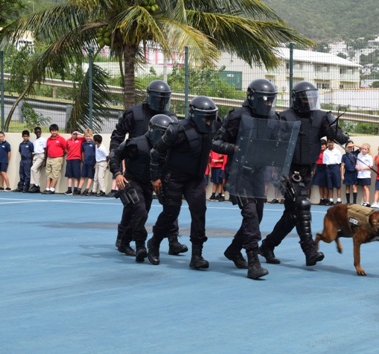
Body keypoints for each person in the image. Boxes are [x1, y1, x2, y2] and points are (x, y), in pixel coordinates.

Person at [259, 81, 349, 267]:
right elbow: (270, 143)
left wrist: (335, 127)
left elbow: (339, 137)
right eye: (305, 98)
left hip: (307, 171)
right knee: (302, 205)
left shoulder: (321, 117)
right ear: (297, 99)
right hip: (287, 171)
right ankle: (309, 251)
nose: (309, 101)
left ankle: (267, 246)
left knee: (293, 214)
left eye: (312, 98)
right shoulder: (284, 117)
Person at [212, 79, 282, 279]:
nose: (268, 103)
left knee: (257, 215)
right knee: (250, 214)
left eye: (271, 100)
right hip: (238, 173)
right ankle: (253, 261)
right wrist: (236, 148)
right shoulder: (237, 116)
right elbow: (216, 142)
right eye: (265, 99)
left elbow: (276, 144)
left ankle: (234, 250)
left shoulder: (273, 119)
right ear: (253, 98)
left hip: (258, 172)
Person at [109, 79, 186, 254]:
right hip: (137, 166)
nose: (161, 102)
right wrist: (117, 167)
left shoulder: (172, 118)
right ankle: (123, 238)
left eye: (164, 99)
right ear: (150, 96)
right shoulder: (134, 113)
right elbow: (117, 137)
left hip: (162, 168)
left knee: (171, 203)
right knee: (134, 206)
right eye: (158, 98)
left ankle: (173, 240)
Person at [147, 97, 218, 269]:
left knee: (199, 212)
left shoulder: (213, 128)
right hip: (174, 177)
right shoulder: (177, 130)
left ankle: (197, 256)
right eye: (206, 118)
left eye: (211, 118)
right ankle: (154, 243)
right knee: (171, 213)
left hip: (196, 179)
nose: (209, 122)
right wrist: (155, 177)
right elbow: (156, 152)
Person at [111, 114, 174, 262]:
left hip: (148, 185)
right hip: (132, 181)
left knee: (139, 216)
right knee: (141, 213)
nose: (164, 137)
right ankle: (140, 246)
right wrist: (118, 174)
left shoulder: (166, 149)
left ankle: (124, 241)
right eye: (161, 133)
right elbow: (115, 156)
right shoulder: (135, 143)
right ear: (152, 130)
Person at [43, 124, 68, 194]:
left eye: (55, 130)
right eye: (52, 131)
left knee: (55, 174)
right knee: (48, 174)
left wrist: (61, 156)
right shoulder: (48, 139)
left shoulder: (61, 139)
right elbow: (47, 150)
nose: (54, 132)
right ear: (50, 131)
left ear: (57, 131)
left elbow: (65, 149)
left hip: (57, 159)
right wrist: (45, 159)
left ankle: (52, 189)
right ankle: (47, 188)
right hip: (49, 158)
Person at [323, 137, 343, 205]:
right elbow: (325, 162)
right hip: (328, 168)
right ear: (327, 143)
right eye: (329, 142)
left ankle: (339, 200)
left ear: (334, 143)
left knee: (338, 185)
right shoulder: (325, 152)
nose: (330, 143)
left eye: (331, 142)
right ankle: (331, 200)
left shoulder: (337, 151)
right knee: (330, 185)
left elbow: (340, 162)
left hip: (335, 167)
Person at [28, 127, 47, 193]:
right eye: (37, 132)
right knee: (36, 170)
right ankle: (37, 186)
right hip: (35, 156)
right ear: (35, 133)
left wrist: (45, 160)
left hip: (41, 155)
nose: (38, 133)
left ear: (41, 132)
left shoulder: (43, 140)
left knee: (33, 168)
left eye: (39, 132)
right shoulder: (35, 140)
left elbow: (45, 149)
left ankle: (36, 185)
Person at [64, 130, 83, 195]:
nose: (75, 135)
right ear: (71, 134)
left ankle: (75, 189)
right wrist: (69, 153)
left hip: (76, 159)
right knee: (69, 175)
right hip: (69, 159)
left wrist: (79, 133)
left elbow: (88, 137)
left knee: (76, 175)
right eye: (73, 134)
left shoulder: (80, 140)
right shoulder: (68, 141)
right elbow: (65, 148)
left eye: (76, 134)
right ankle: (69, 190)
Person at [341, 140, 359, 205]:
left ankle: (354, 202)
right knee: (347, 187)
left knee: (354, 186)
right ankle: (348, 202)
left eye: (351, 147)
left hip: (354, 172)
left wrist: (353, 144)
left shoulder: (355, 153)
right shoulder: (344, 156)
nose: (350, 148)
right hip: (347, 172)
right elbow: (342, 165)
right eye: (348, 147)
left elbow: (361, 147)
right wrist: (342, 175)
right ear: (346, 147)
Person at [79, 129, 96, 195]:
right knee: (83, 175)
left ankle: (87, 189)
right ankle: (79, 189)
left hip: (92, 162)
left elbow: (96, 153)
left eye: (89, 136)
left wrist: (95, 162)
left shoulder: (94, 144)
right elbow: (83, 152)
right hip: (85, 162)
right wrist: (83, 160)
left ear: (91, 136)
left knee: (90, 176)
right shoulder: (83, 144)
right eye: (86, 136)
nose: (88, 137)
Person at [312, 140, 328, 205]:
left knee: (326, 185)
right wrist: (314, 170)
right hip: (318, 168)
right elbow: (315, 161)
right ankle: (321, 199)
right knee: (320, 185)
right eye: (321, 145)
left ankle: (326, 199)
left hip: (325, 167)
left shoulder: (327, 152)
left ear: (326, 145)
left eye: (323, 145)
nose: (322, 146)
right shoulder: (317, 152)